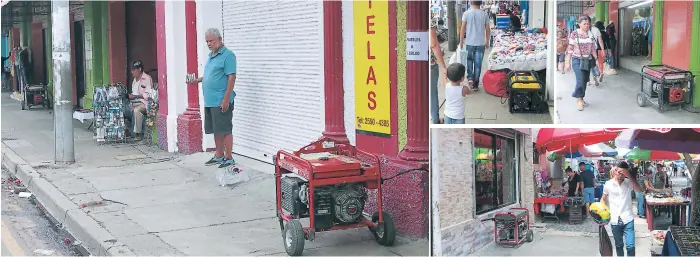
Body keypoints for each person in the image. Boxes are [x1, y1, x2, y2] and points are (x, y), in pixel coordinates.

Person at [186, 28, 237, 169]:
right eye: (207, 41)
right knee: (216, 129)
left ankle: (229, 158)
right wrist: (198, 80)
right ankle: (219, 155)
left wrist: (226, 99)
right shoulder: (211, 56)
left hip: (221, 100)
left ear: (220, 40)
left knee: (225, 129)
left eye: (211, 41)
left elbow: (231, 77)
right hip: (210, 100)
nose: (209, 43)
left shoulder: (228, 55)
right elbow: (211, 75)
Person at [601, 162, 643, 257]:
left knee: (630, 246)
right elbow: (603, 199)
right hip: (615, 219)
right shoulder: (608, 184)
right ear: (615, 170)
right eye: (619, 172)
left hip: (628, 218)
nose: (621, 175)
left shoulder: (628, 182)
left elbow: (639, 189)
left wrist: (629, 175)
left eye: (623, 173)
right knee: (619, 245)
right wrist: (603, 215)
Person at [566, 16, 597, 112]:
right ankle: (578, 100)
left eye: (588, 24)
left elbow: (592, 48)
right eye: (584, 24)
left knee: (585, 80)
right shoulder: (575, 33)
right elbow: (570, 48)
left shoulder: (590, 34)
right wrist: (568, 62)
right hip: (577, 59)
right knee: (580, 79)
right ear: (579, 24)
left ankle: (582, 98)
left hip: (588, 60)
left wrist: (596, 58)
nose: (587, 26)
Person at [459, 0, 491, 91]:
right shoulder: (484, 14)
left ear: (471, 2)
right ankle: (476, 84)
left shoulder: (466, 14)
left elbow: (462, 29)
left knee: (469, 61)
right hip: (481, 43)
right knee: (478, 64)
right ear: (481, 3)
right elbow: (488, 29)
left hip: (469, 43)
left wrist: (461, 42)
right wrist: (487, 41)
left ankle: (470, 79)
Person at [128, 60, 154, 141]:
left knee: (137, 111)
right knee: (123, 108)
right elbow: (133, 92)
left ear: (139, 69)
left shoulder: (147, 78)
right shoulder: (134, 80)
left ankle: (137, 134)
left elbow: (148, 95)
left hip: (144, 103)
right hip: (134, 102)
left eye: (134, 70)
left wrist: (136, 96)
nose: (132, 72)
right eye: (131, 70)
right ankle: (127, 130)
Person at [430, 19, 448, 124]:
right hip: (430, 64)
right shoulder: (428, 19)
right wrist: (443, 66)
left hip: (412, 61)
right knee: (432, 92)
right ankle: (435, 120)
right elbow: (434, 44)